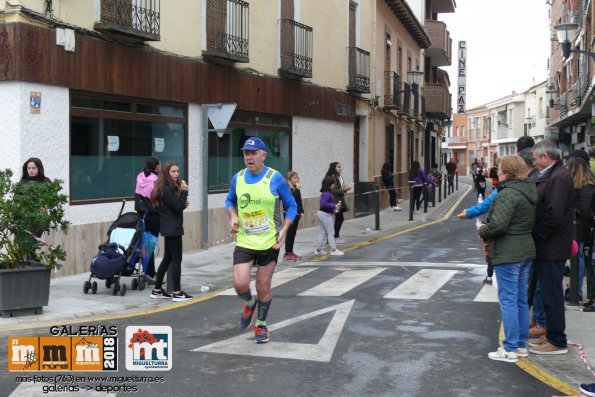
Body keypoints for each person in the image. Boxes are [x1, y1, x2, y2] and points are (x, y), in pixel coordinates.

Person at [225, 137, 297, 343]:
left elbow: (292, 206)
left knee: (263, 286)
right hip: (245, 240)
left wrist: (284, 229)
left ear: (263, 155)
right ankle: (248, 302)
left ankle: (261, 325)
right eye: (246, 153)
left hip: (269, 242)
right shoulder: (237, 178)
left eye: (253, 153)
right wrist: (233, 216)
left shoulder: (275, 179)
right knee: (240, 283)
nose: (249, 157)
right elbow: (230, 200)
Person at [478, 155, 537, 363]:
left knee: (509, 300)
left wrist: (482, 228)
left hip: (508, 252)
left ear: (508, 172)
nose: (497, 173)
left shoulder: (508, 193)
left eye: (500, 170)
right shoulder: (528, 190)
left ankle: (510, 348)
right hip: (525, 250)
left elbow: (498, 226)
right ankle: (520, 346)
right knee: (520, 299)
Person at [529, 140, 574, 355]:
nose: (534, 162)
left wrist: (538, 234)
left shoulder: (558, 177)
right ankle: (551, 335)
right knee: (548, 294)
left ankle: (557, 340)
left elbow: (553, 214)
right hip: (549, 245)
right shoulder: (554, 174)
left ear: (546, 157)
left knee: (552, 295)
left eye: (536, 158)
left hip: (551, 246)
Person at [149, 161, 192, 302]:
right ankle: (178, 292)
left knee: (167, 258)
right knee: (176, 260)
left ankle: (157, 289)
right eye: (173, 172)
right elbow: (177, 207)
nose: (176, 174)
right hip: (173, 229)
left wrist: (181, 202)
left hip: (170, 226)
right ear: (167, 173)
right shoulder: (166, 188)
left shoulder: (165, 187)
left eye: (178, 171)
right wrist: (185, 192)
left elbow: (175, 207)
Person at [566, 157, 595, 308]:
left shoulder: (584, 187)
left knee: (578, 258)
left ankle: (576, 291)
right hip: (582, 227)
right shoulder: (586, 185)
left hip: (580, 228)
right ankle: (575, 290)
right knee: (580, 257)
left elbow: (584, 211)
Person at [135, 156, 161, 284]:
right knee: (150, 244)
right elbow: (159, 199)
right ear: (156, 167)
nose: (160, 168)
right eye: (159, 165)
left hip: (140, 215)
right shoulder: (156, 180)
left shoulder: (139, 176)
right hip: (154, 215)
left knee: (144, 245)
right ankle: (150, 274)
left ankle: (147, 272)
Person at [314, 177, 344, 257]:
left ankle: (318, 249)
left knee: (322, 232)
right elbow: (323, 204)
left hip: (322, 213)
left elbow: (324, 205)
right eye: (333, 184)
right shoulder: (327, 193)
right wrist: (334, 206)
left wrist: (334, 209)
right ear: (329, 185)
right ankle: (333, 250)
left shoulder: (325, 193)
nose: (334, 186)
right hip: (325, 215)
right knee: (331, 232)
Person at [325, 162, 350, 244]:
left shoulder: (339, 177)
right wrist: (343, 189)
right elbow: (333, 191)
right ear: (334, 168)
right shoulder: (333, 177)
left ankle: (335, 236)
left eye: (340, 167)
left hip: (339, 200)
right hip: (335, 201)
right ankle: (334, 237)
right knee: (339, 218)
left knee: (339, 219)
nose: (340, 168)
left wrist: (345, 189)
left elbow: (340, 189)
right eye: (338, 167)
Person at [282, 171, 304, 262]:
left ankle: (291, 251)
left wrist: (302, 211)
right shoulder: (287, 188)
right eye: (294, 178)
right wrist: (298, 190)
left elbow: (299, 201)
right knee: (289, 234)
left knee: (293, 233)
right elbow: (291, 200)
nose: (296, 180)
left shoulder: (295, 188)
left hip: (296, 213)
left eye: (296, 178)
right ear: (289, 179)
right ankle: (287, 253)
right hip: (289, 213)